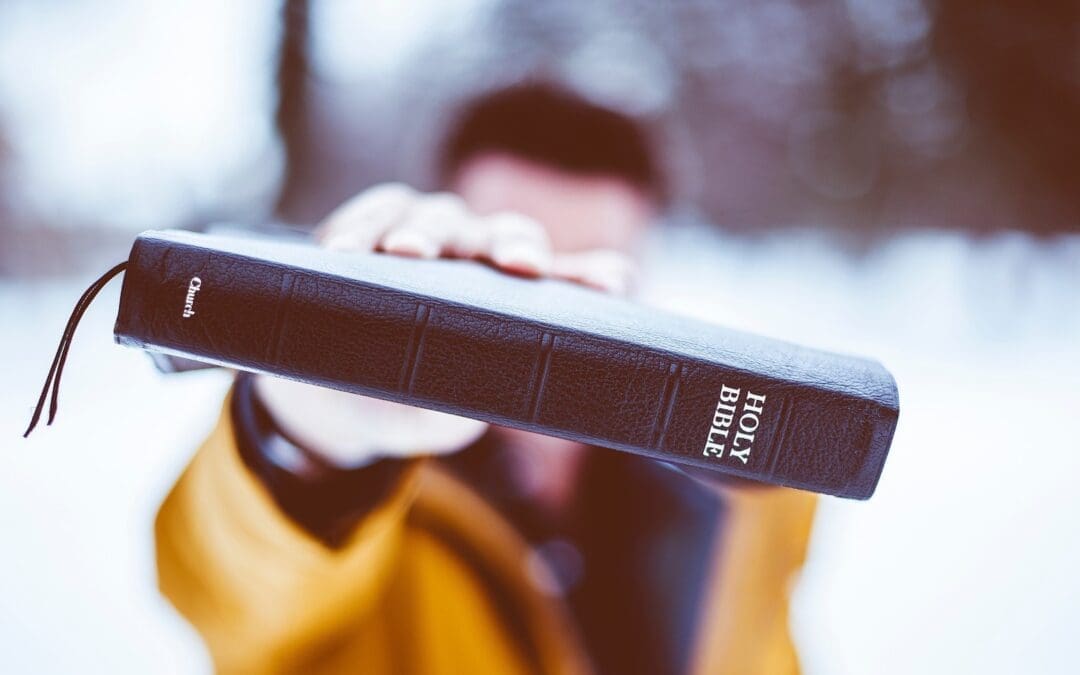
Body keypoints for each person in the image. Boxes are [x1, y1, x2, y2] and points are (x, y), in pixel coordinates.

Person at [155, 85, 817, 675]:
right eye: (516, 281)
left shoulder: (737, 501)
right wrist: (306, 442)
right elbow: (229, 588)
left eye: (592, 286)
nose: (557, 334)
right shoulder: (367, 508)